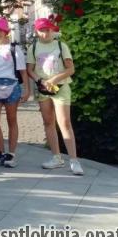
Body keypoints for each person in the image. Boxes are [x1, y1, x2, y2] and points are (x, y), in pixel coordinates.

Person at [27, 17, 83, 175]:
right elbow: (30, 69)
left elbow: (70, 69)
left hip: (61, 87)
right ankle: (56, 157)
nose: (45, 34)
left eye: (47, 30)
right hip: (43, 89)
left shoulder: (61, 45)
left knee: (65, 123)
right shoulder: (33, 47)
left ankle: (74, 160)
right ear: (37, 32)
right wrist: (41, 80)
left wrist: (53, 80)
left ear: (53, 30)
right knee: (48, 122)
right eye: (41, 30)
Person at [0, 17, 30, 168]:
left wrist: (26, 90)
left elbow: (23, 72)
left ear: (5, 31)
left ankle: (11, 153)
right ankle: (0, 151)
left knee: (11, 120)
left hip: (12, 86)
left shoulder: (14, 48)